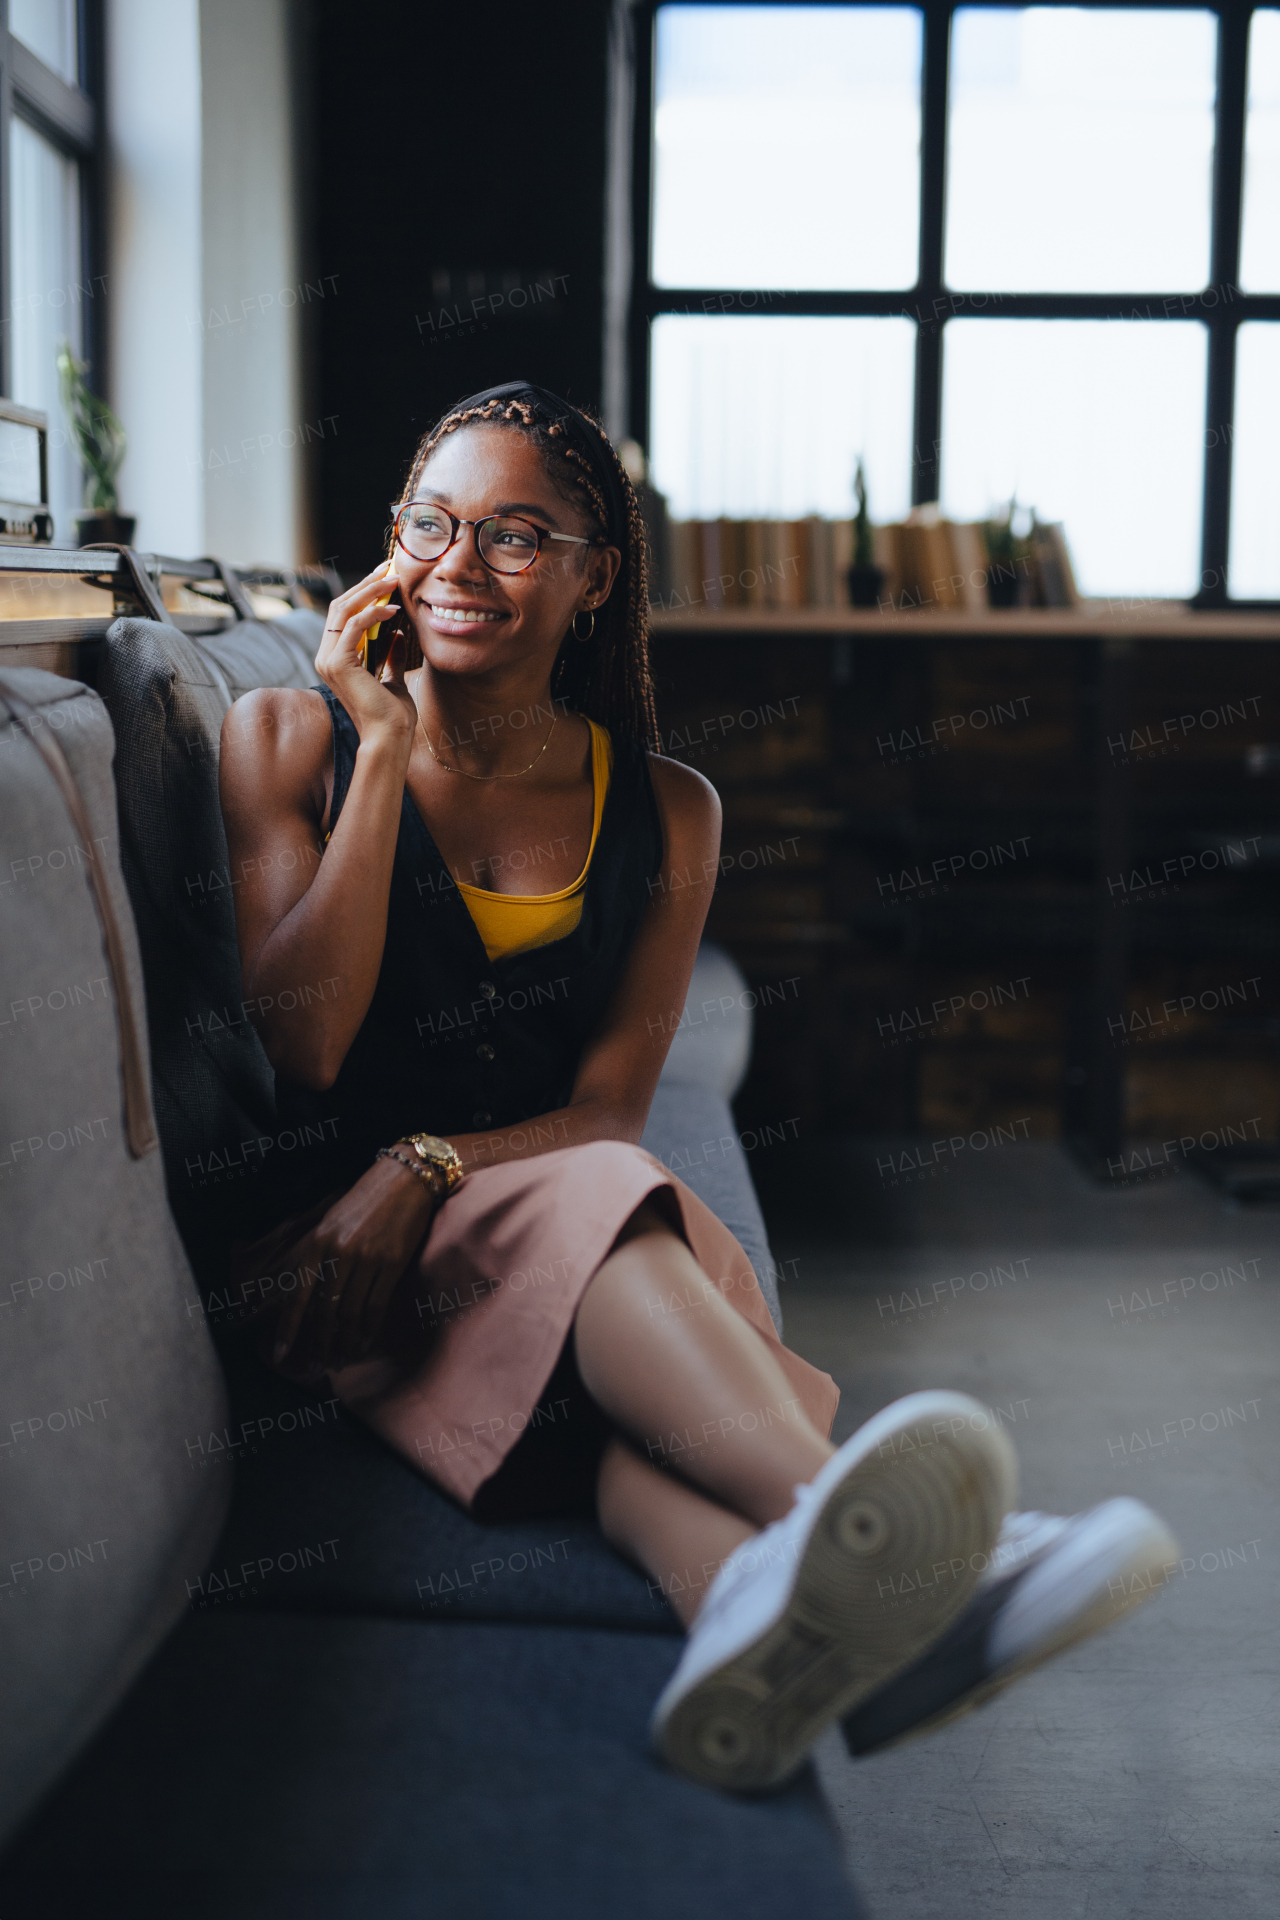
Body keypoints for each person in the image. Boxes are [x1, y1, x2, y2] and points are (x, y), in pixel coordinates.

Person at [218, 382, 1177, 1792]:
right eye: (433, 526)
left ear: (596, 579)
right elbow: (306, 1047)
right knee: (621, 1214)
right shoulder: (288, 743)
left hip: (536, 1237)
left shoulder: (669, 808)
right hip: (336, 1276)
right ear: (388, 551)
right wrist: (385, 753)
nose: (461, 567)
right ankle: (950, 1562)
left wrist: (423, 1163)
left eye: (517, 535)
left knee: (622, 1359)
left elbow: (607, 1108)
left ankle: (748, 1615)